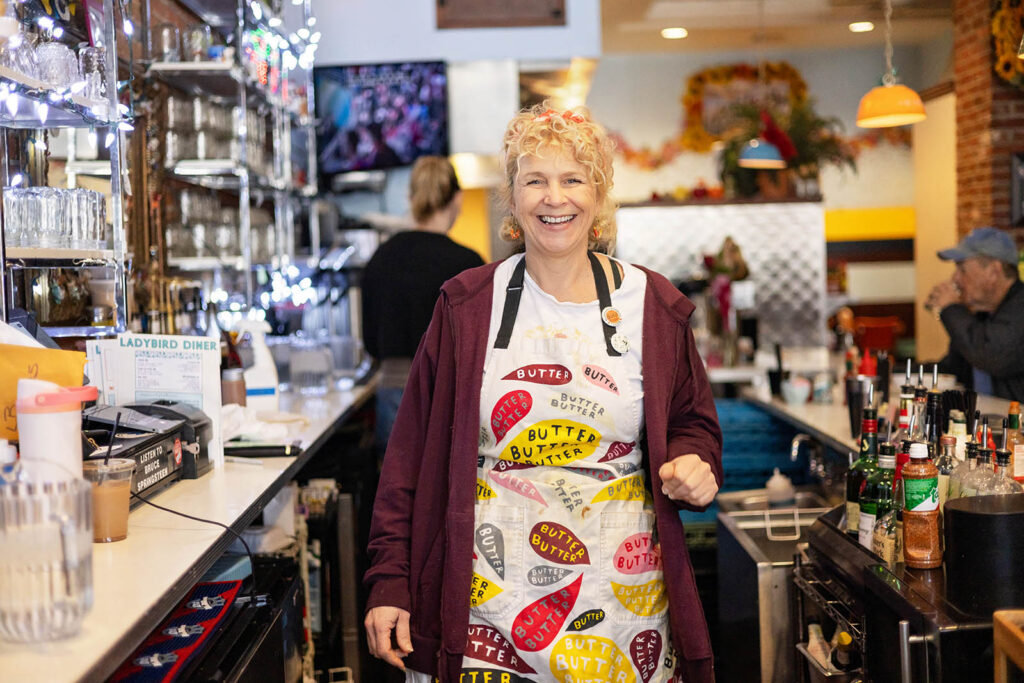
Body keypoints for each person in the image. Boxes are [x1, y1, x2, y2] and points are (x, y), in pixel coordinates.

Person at [363, 104, 724, 683]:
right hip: (487, 610)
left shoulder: (652, 307)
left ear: (599, 194)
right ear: (513, 196)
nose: (554, 198)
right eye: (535, 180)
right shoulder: (465, 306)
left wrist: (696, 462)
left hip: (624, 611)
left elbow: (693, 423)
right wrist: (389, 579)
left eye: (572, 179)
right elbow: (406, 461)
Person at [361, 156, 484, 450]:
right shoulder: (469, 264)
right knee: (445, 492)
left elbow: (371, 344)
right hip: (451, 395)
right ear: (457, 198)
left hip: (395, 393)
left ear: (410, 198)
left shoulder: (381, 258)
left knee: (397, 492)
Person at [926, 226, 1024, 400]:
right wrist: (888, 370)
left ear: (994, 271)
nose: (955, 278)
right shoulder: (981, 316)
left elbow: (991, 355)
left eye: (962, 269)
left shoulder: (1020, 307)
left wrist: (951, 308)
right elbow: (950, 370)